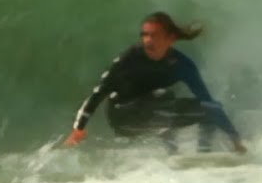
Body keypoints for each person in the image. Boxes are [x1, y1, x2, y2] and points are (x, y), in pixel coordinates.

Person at [63, 12, 247, 154]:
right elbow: (99, 92)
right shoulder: (130, 59)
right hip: (123, 115)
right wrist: (78, 129)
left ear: (171, 38)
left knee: (211, 109)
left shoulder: (182, 65)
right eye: (145, 35)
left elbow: (207, 102)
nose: (148, 41)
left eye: (154, 35)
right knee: (163, 103)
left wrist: (235, 139)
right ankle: (172, 150)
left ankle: (204, 153)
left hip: (151, 109)